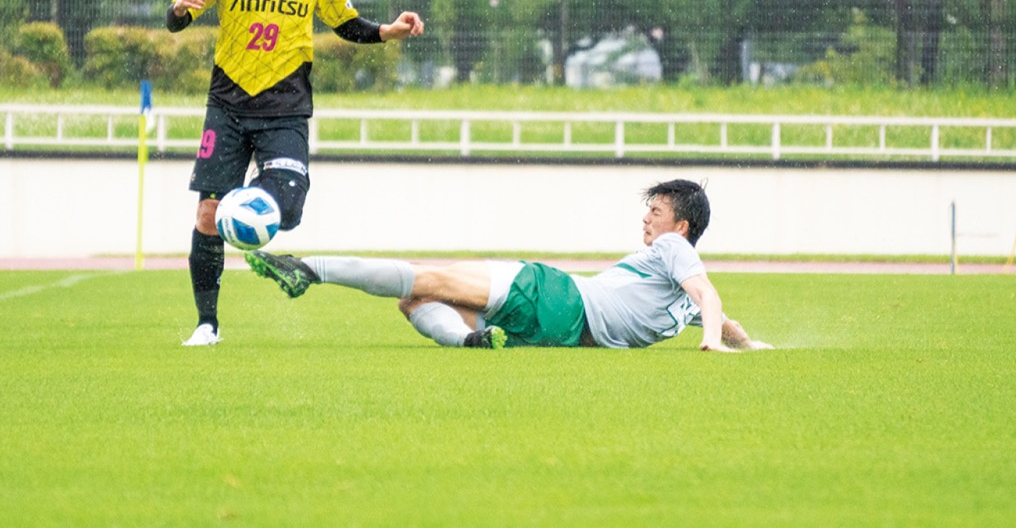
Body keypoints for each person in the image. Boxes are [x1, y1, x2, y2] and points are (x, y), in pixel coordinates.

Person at [167, 0, 425, 346]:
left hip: (285, 107)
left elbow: (346, 23)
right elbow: (176, 17)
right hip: (227, 103)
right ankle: (207, 324)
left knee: (287, 208)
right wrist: (184, 7)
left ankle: (249, 216)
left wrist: (388, 31)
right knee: (208, 212)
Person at [247, 179, 772, 352]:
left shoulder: (674, 250)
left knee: (426, 274)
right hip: (563, 334)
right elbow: (710, 306)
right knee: (416, 300)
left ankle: (306, 268)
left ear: (681, 227)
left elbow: (708, 297)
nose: (647, 221)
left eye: (656, 212)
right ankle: (469, 341)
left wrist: (711, 339)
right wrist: (739, 340)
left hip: (557, 295)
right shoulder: (680, 294)